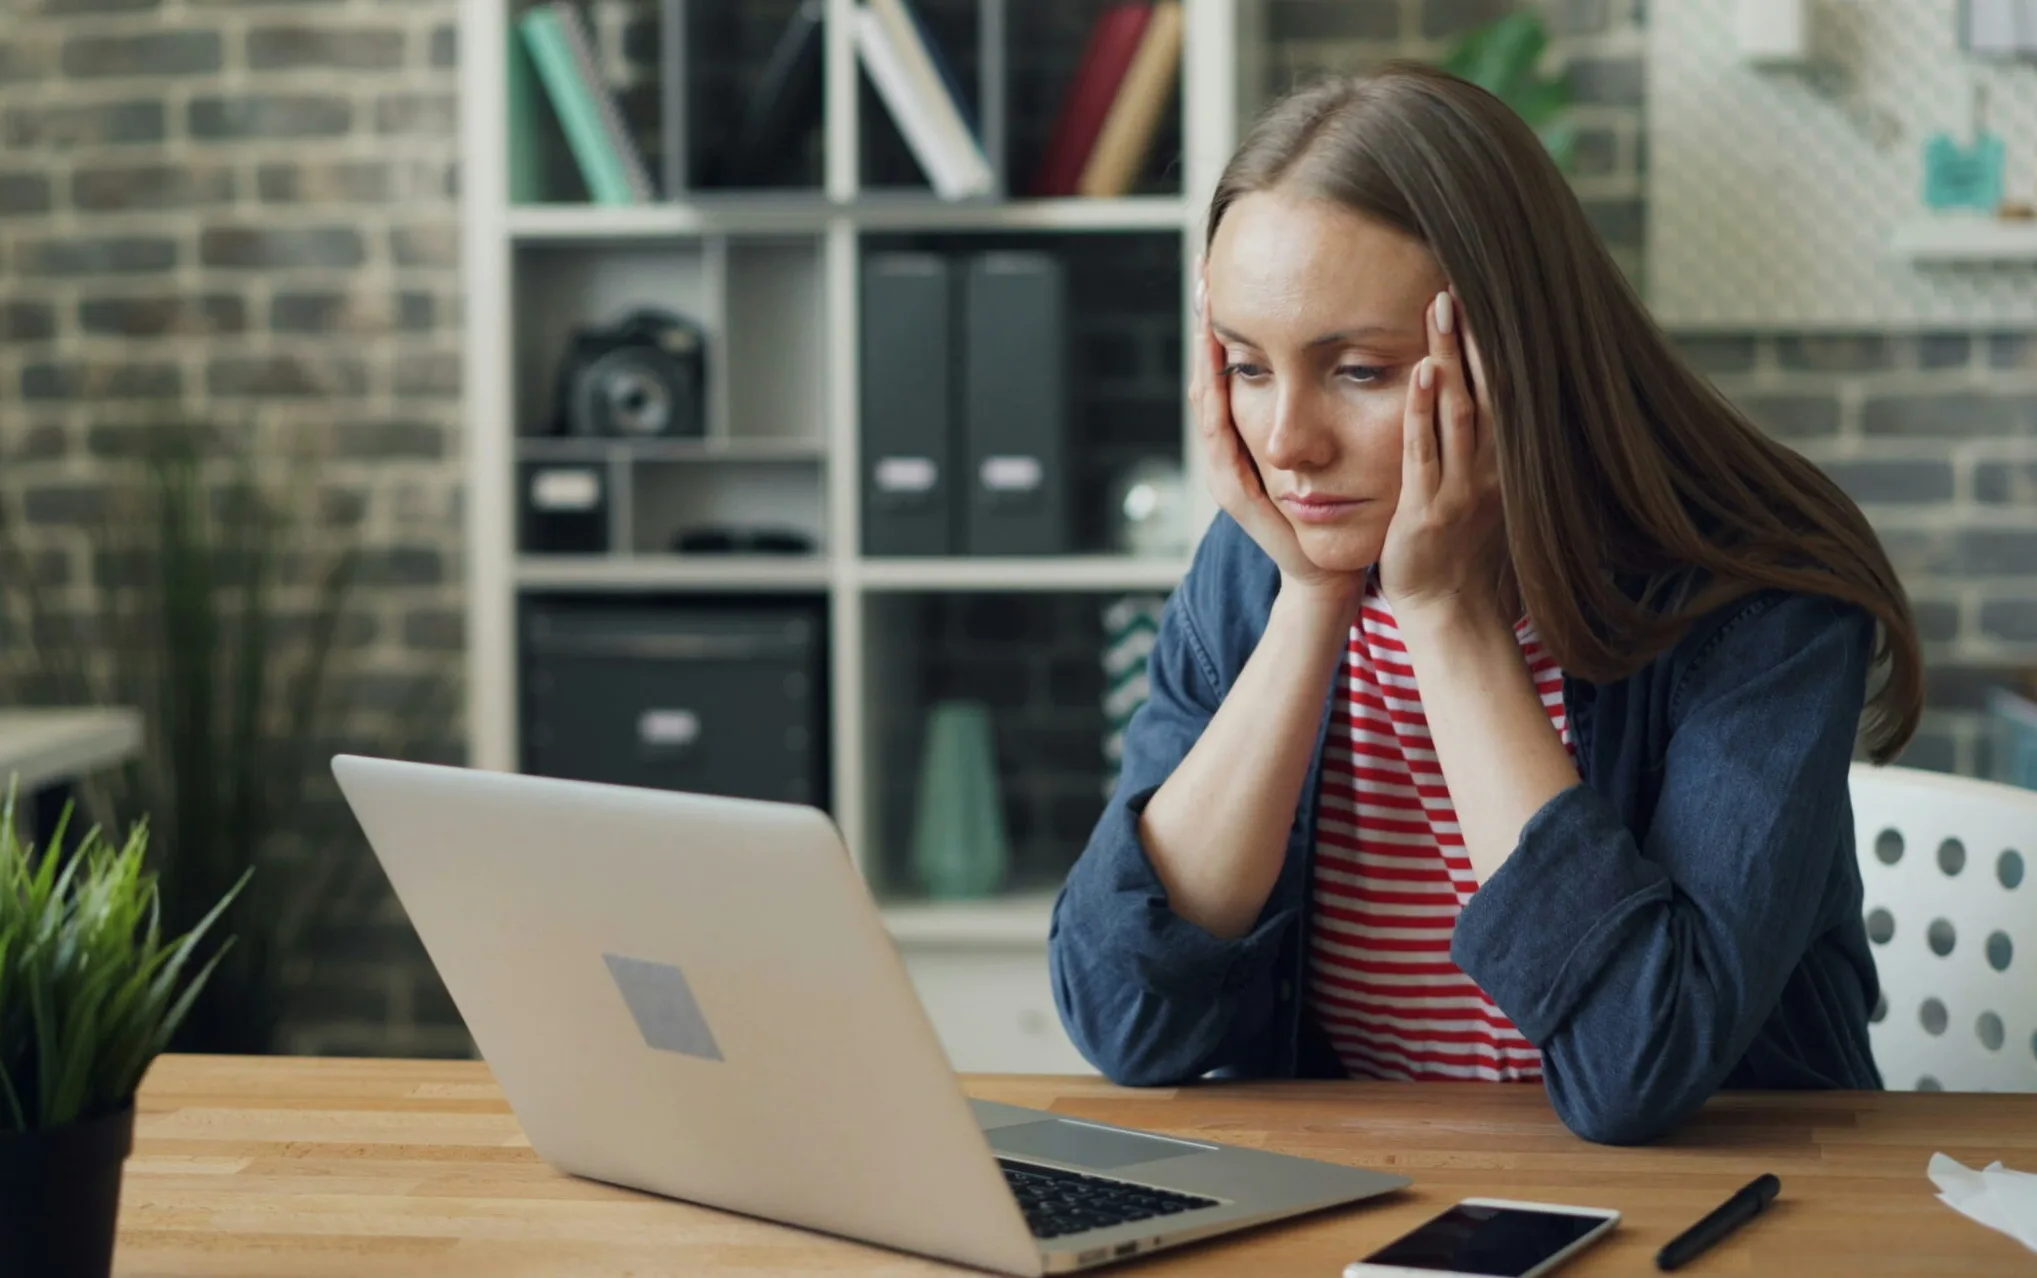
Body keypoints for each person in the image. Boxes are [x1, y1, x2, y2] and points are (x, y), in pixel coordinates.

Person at [1048, 63, 1921, 1146]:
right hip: (1374, 1200)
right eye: (1245, 366)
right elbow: (1125, 1017)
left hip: (1720, 1219)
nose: (1286, 445)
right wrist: (1312, 601)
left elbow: (1634, 1067)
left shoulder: (1757, 598)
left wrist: (1450, 617)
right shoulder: (1264, 566)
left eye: (1358, 371)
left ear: (1516, 353)